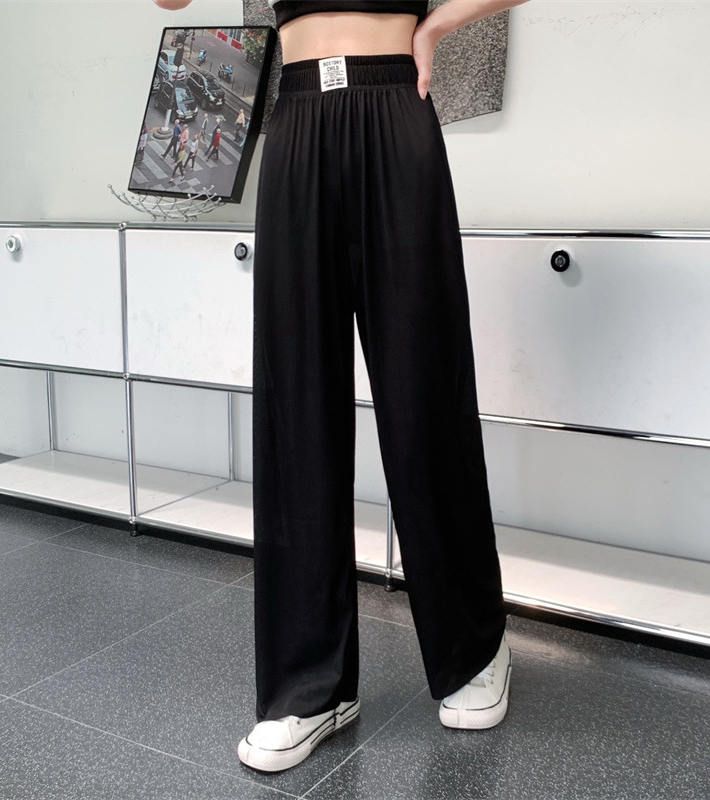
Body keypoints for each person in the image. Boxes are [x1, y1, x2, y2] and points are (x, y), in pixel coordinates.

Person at [152, 0, 531, 774]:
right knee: (296, 401)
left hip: (395, 106)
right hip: (296, 118)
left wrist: (436, 28)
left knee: (424, 394)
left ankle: (474, 647)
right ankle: (310, 684)